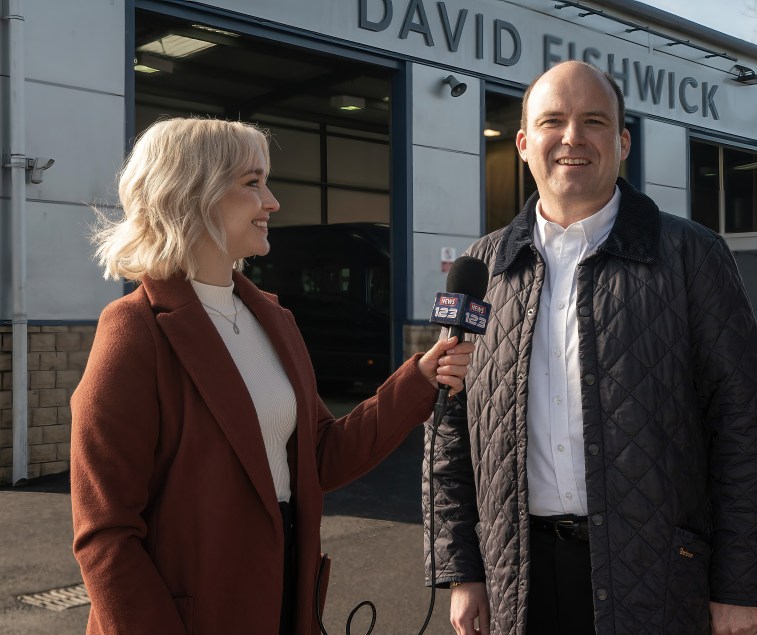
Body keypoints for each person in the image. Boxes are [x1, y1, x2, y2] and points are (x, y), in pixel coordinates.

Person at [71, 117, 475, 635]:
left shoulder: (274, 319)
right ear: (192, 194)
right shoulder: (134, 330)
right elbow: (106, 535)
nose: (273, 202)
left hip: (285, 601)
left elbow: (321, 456)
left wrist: (418, 378)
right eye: (251, 183)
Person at [423, 61, 757, 635]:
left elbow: (745, 426)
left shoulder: (692, 256)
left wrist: (739, 585)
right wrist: (463, 570)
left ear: (622, 142)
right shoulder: (483, 267)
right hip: (519, 576)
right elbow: (449, 428)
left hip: (655, 577)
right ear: (522, 143)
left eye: (593, 120)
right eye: (552, 121)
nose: (572, 137)